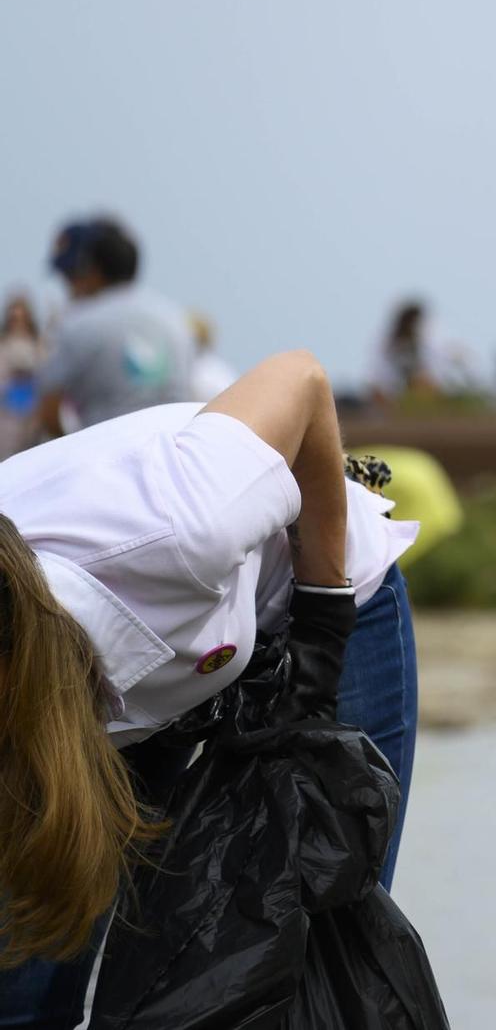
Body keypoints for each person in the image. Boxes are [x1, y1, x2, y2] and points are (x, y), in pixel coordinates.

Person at [0, 351, 420, 1028]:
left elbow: (304, 382)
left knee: (307, 930)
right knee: (31, 963)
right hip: (129, 664)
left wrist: (321, 631)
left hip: (314, 599)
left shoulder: (180, 526)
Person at [36, 217, 196, 436]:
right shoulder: (175, 319)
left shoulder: (78, 323)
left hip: (105, 453)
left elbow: (48, 408)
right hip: (170, 451)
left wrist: (72, 445)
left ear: (91, 270)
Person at [0, 294, 43, 460]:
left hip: (33, 416)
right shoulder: (3, 346)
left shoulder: (38, 345)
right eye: (14, 318)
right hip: (7, 416)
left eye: (21, 318)